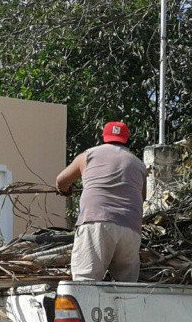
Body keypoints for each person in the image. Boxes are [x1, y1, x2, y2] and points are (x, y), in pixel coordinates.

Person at [55, 121, 147, 282]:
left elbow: (61, 181)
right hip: (131, 228)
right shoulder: (139, 165)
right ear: (127, 139)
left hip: (96, 223)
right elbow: (142, 197)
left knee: (86, 280)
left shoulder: (88, 155)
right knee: (127, 286)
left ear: (103, 137)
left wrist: (66, 191)